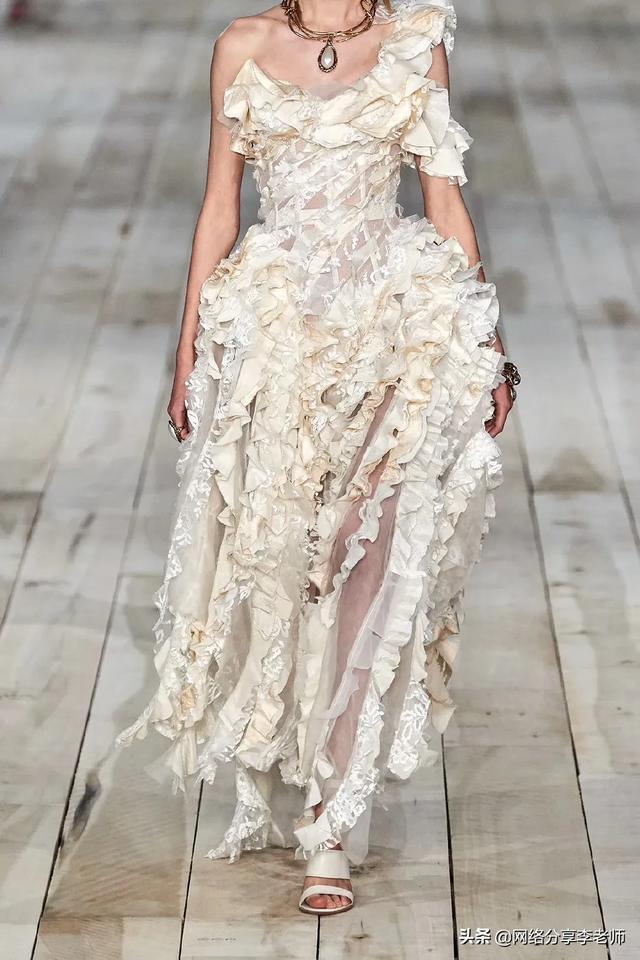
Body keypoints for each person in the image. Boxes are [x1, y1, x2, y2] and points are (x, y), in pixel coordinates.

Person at [116, 0, 519, 917]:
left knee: (363, 550)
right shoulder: (243, 46)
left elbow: (443, 200)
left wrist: (491, 342)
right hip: (278, 331)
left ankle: (331, 818)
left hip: (396, 319)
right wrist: (187, 348)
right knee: (286, 555)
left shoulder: (415, 39)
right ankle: (300, 760)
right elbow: (221, 206)